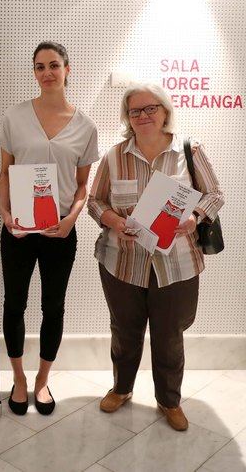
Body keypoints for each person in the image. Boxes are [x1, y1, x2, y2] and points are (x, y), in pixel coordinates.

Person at [88, 82, 223, 431]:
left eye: (151, 108)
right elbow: (95, 201)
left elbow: (214, 194)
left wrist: (194, 218)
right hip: (122, 261)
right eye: (135, 111)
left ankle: (169, 400)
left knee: (169, 336)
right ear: (127, 117)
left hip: (176, 264)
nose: (143, 116)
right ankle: (122, 389)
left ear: (165, 112)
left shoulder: (189, 150)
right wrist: (114, 221)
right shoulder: (114, 156)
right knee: (124, 331)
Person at [0, 41, 99, 416]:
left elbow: (83, 185)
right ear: (35, 73)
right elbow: (5, 172)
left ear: (67, 70)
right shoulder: (15, 117)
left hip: (60, 232)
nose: (47, 73)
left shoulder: (85, 126)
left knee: (53, 307)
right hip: (19, 232)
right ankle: (19, 379)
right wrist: (5, 213)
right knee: (14, 304)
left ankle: (42, 380)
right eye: (40, 67)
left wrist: (72, 218)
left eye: (54, 65)